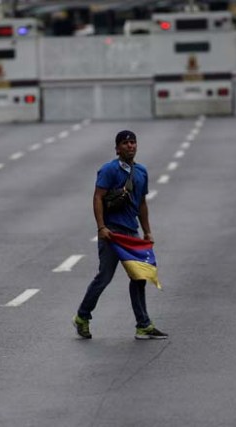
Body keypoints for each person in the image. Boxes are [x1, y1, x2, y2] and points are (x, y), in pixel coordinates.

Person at [73, 130, 168, 340]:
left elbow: (142, 203)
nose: (130, 146)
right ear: (117, 148)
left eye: (133, 142)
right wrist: (101, 227)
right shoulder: (109, 170)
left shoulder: (141, 172)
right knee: (104, 277)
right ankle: (82, 316)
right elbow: (98, 198)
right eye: (125, 143)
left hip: (131, 233)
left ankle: (143, 324)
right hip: (111, 233)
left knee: (139, 276)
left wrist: (147, 231)